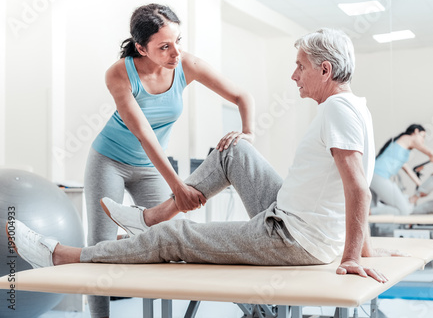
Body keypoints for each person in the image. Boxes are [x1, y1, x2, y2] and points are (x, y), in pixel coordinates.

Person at [10, 29, 405, 306]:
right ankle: (150, 217)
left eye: (300, 66)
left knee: (176, 237)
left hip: (292, 238)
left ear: (325, 71)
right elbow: (350, 185)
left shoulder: (337, 110)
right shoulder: (355, 108)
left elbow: (357, 188)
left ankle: (61, 255)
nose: (293, 75)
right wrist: (362, 248)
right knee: (235, 149)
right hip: (288, 213)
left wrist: (352, 256)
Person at [84, 4, 254, 317]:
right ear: (141, 48)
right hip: (109, 160)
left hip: (149, 168)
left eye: (178, 41)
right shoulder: (120, 73)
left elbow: (242, 96)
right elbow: (144, 133)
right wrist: (178, 187)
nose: (175, 53)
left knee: (169, 241)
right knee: (99, 248)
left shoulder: (186, 65)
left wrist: (248, 133)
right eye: (164, 47)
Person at [370, 124, 433, 215]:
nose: (423, 141)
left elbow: (407, 169)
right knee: (404, 211)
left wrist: (420, 185)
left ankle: (369, 213)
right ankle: (369, 212)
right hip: (379, 176)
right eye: (422, 136)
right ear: (416, 132)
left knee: (372, 208)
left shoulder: (401, 145)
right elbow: (432, 154)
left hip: (374, 176)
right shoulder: (408, 139)